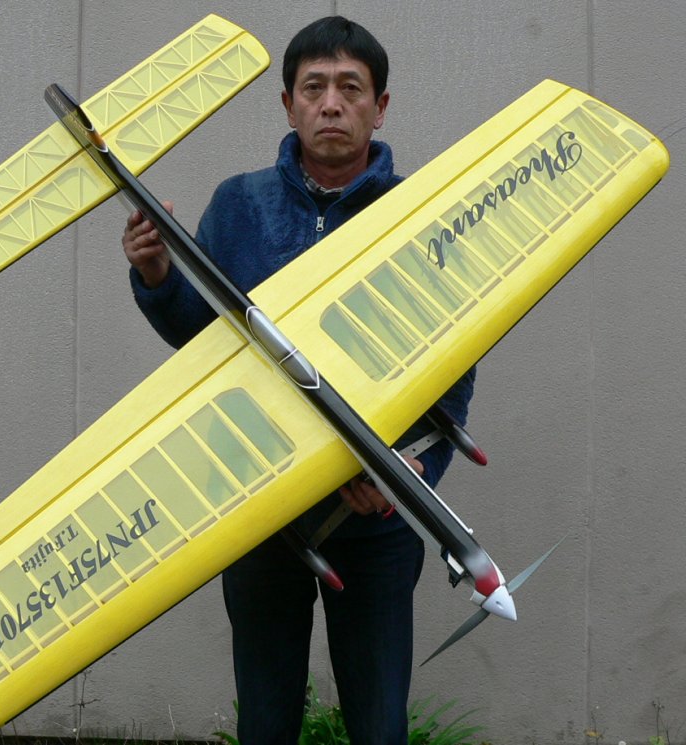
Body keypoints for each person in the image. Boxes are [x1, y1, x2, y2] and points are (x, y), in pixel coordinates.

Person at [122, 16, 475, 745]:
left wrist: (413, 469)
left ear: (381, 107)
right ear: (288, 105)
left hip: (375, 516)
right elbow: (203, 343)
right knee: (265, 717)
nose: (331, 104)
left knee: (379, 723)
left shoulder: (420, 213)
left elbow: (456, 359)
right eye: (313, 88)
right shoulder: (238, 204)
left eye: (351, 88)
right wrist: (157, 276)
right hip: (259, 507)